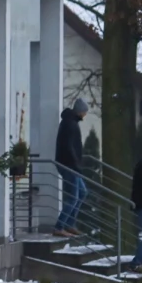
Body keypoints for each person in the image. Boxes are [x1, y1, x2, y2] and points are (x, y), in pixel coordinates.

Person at [54, 98, 89, 237]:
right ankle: (60, 226)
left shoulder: (70, 122)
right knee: (73, 197)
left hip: (71, 165)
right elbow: (69, 146)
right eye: (85, 112)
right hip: (69, 165)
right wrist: (75, 163)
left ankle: (69, 224)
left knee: (82, 192)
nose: (85, 115)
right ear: (80, 111)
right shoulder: (70, 124)